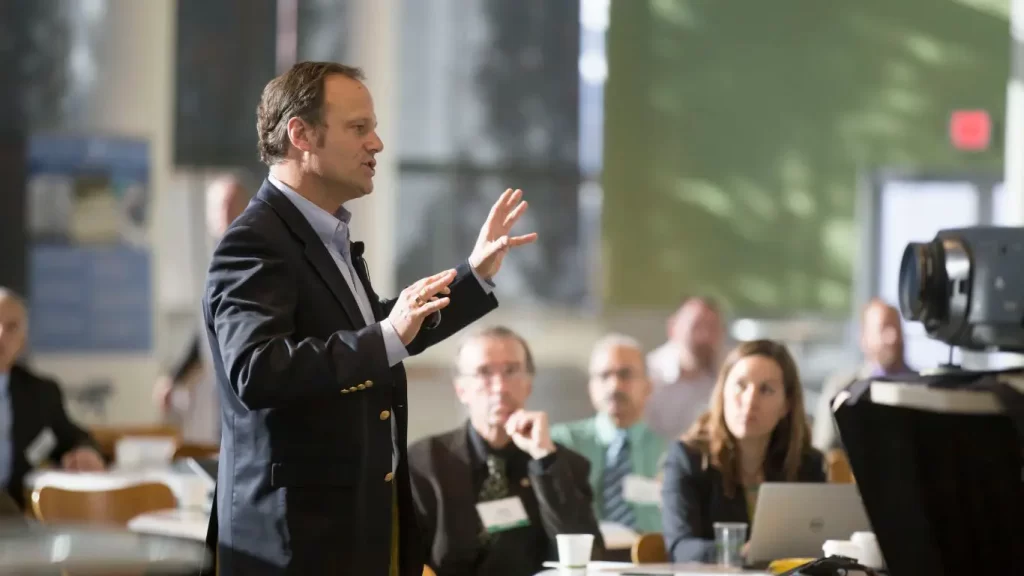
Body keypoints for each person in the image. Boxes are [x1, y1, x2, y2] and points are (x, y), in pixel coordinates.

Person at [202, 61, 536, 576]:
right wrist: (386, 335)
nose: (377, 144)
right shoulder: (254, 241)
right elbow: (258, 368)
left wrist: (473, 277)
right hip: (293, 544)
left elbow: (374, 330)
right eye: (359, 128)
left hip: (352, 530)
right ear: (301, 134)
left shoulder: (323, 234)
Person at [408, 326, 604, 576]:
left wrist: (545, 461)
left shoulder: (564, 465)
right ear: (461, 389)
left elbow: (589, 555)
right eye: (484, 372)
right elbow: (403, 558)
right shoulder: (425, 462)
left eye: (511, 371)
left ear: (529, 383)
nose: (500, 386)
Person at [661, 339, 825, 563]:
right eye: (740, 385)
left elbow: (820, 544)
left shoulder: (807, 464)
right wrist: (738, 552)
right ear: (722, 393)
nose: (750, 401)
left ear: (786, 405)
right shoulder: (687, 458)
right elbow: (680, 548)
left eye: (766, 390)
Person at [152, 175, 249, 444]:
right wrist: (175, 377)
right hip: (218, 391)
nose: (224, 214)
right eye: (218, 207)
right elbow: (206, 330)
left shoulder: (256, 257)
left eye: (231, 204)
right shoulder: (216, 260)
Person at [551, 334, 665, 534]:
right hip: (585, 558)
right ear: (590, 387)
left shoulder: (670, 452)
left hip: (653, 560)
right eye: (604, 375)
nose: (615, 386)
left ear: (648, 386)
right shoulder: (562, 442)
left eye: (625, 374)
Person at [0, 288, 104, 509]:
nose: (1, 334)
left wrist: (85, 452)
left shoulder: (41, 393)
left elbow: (74, 438)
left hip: (18, 522)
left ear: (22, 340)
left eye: (11, 327)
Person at [813, 298, 913, 452]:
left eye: (896, 327)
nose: (893, 337)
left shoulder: (923, 390)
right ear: (864, 339)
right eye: (884, 328)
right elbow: (823, 451)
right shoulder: (841, 388)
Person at [645, 297, 725, 440]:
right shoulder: (648, 374)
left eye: (712, 327)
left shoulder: (728, 376)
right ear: (673, 328)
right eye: (696, 326)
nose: (704, 336)